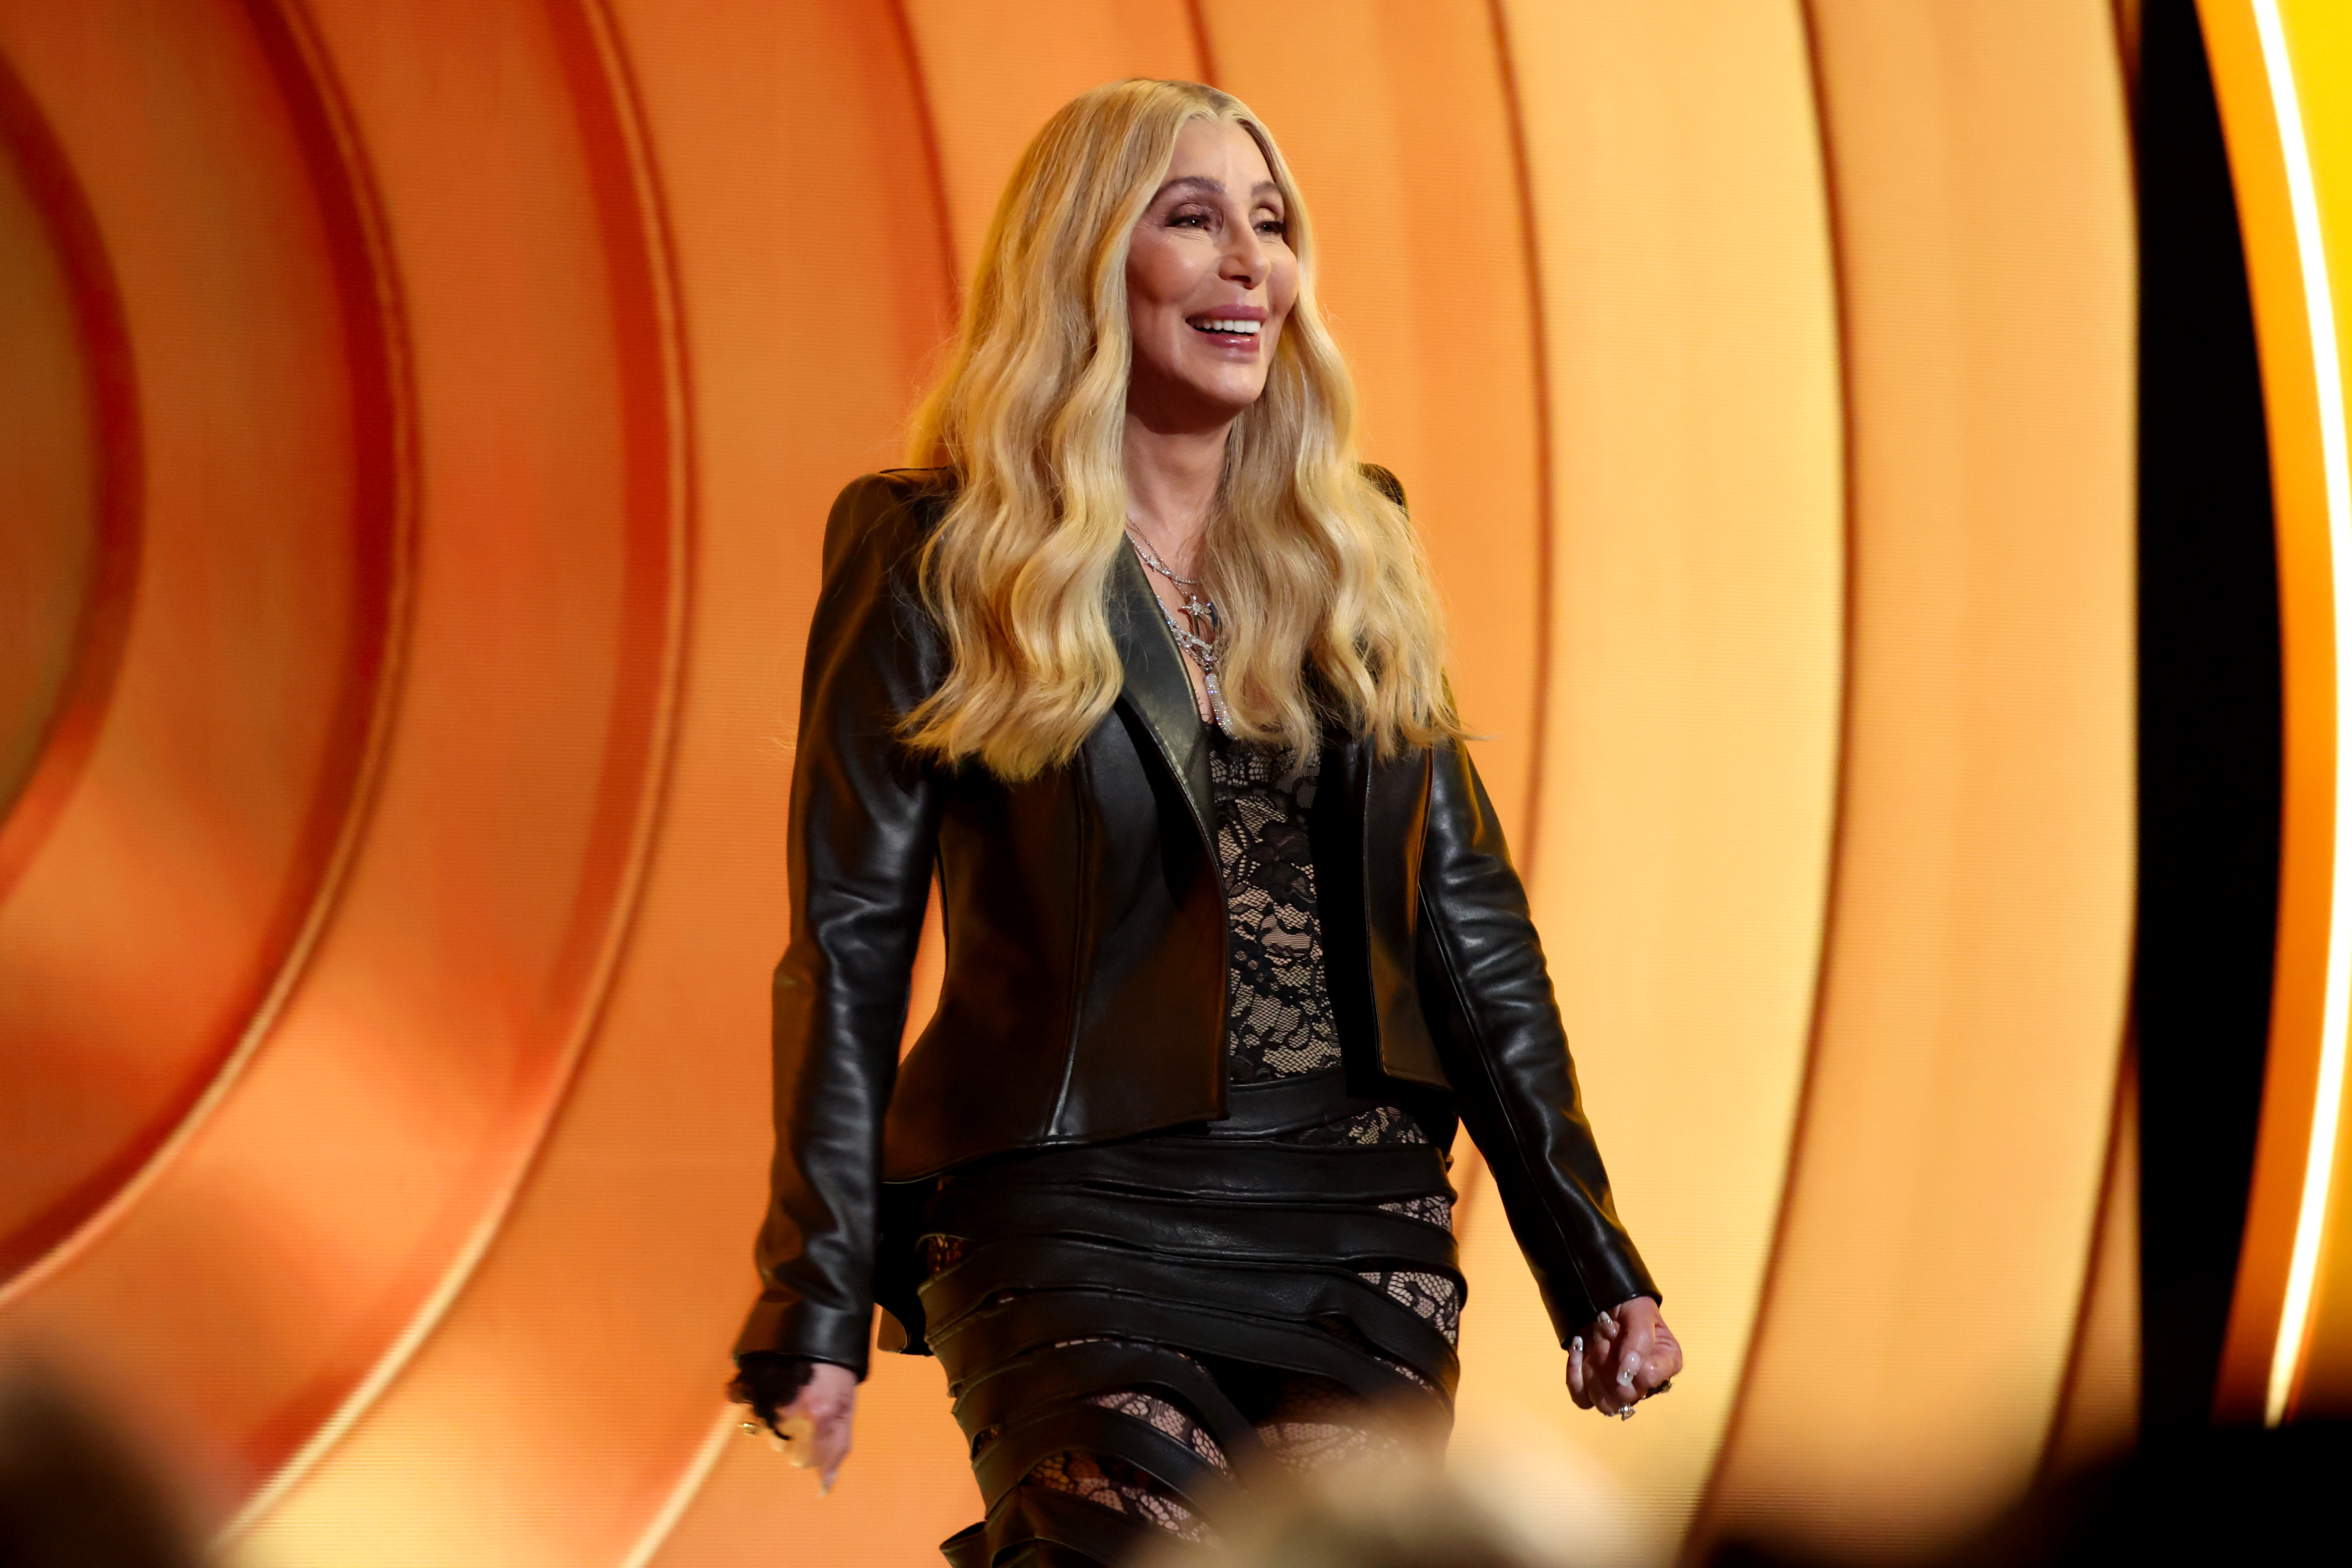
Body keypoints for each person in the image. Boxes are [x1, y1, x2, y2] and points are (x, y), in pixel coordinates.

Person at [728, 78, 1681, 1568]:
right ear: (1087, 263)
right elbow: (850, 945)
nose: (1251, 263)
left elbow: (1469, 925)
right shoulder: (931, 550)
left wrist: (1592, 1259)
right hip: (1073, 1201)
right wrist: (814, 1286)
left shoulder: (1353, 545)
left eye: (1272, 223)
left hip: (1352, 1208)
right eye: (1193, 219)